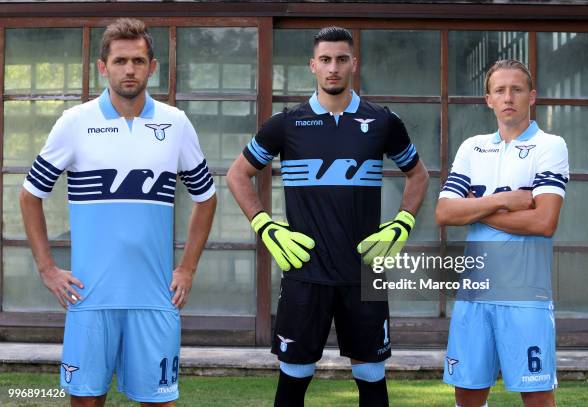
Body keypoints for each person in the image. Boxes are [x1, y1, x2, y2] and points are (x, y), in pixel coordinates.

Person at [227, 26, 429, 407]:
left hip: (365, 270)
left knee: (371, 376)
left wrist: (403, 221)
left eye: (340, 59)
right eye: (325, 60)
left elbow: (418, 174)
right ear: (312, 66)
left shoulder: (383, 121)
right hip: (305, 270)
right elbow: (238, 174)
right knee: (294, 377)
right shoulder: (286, 124)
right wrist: (264, 224)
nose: (333, 68)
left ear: (354, 63)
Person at [19, 18, 216, 406]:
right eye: (121, 60)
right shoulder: (75, 123)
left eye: (139, 61)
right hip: (90, 298)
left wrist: (187, 268)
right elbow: (29, 195)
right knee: (86, 401)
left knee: (159, 401)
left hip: (156, 296)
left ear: (152, 67)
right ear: (102, 66)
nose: (130, 69)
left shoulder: (174, 123)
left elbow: (206, 197)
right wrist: (47, 269)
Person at [436, 59, 569, 407]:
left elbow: (544, 222)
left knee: (537, 395)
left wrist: (478, 207)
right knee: (467, 394)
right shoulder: (472, 147)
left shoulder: (550, 145)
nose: (508, 96)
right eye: (500, 90)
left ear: (532, 96)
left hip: (525, 295)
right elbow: (445, 212)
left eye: (517, 89)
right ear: (489, 99)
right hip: (475, 295)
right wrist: (505, 201)